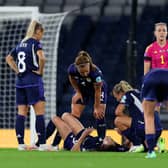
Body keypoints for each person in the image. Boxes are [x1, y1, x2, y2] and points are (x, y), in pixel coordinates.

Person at [6, 20, 47, 151]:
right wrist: (40, 71)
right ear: (38, 31)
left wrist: (17, 70)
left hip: (20, 82)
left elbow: (8, 58)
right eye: (42, 33)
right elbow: (42, 58)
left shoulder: (20, 44)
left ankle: (21, 143)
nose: (42, 36)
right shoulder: (35, 43)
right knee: (39, 113)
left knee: (21, 113)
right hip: (33, 80)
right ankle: (42, 144)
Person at [112, 80, 163, 153]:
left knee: (118, 121)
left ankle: (137, 144)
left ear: (120, 93)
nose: (117, 99)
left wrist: (126, 123)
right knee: (126, 128)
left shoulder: (127, 94)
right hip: (156, 127)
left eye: (116, 97)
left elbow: (118, 112)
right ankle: (156, 142)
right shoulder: (138, 92)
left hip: (146, 125)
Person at [68, 51, 107, 140]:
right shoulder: (72, 69)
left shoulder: (96, 74)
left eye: (86, 71)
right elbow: (72, 78)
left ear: (89, 65)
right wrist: (78, 92)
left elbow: (97, 91)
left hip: (98, 89)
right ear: (77, 68)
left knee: (99, 113)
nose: (85, 74)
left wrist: (96, 107)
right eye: (82, 73)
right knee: (74, 114)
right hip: (83, 88)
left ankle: (101, 139)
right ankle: (72, 138)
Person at [51, 112, 129, 152]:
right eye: (111, 139)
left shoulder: (92, 147)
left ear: (103, 147)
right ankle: (56, 143)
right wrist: (123, 133)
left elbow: (74, 151)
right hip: (81, 133)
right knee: (65, 115)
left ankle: (54, 145)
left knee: (55, 119)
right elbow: (128, 147)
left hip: (73, 141)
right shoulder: (117, 147)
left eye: (108, 140)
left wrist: (84, 134)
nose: (108, 137)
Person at [141, 68, 168, 158]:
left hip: (151, 80)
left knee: (149, 117)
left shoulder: (146, 79)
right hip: (166, 78)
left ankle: (151, 151)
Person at [144, 22, 168, 112]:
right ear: (155, 33)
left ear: (167, 33)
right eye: (159, 30)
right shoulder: (150, 49)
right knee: (154, 107)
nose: (161, 33)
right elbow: (146, 70)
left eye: (164, 30)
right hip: (155, 81)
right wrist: (146, 83)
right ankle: (156, 125)